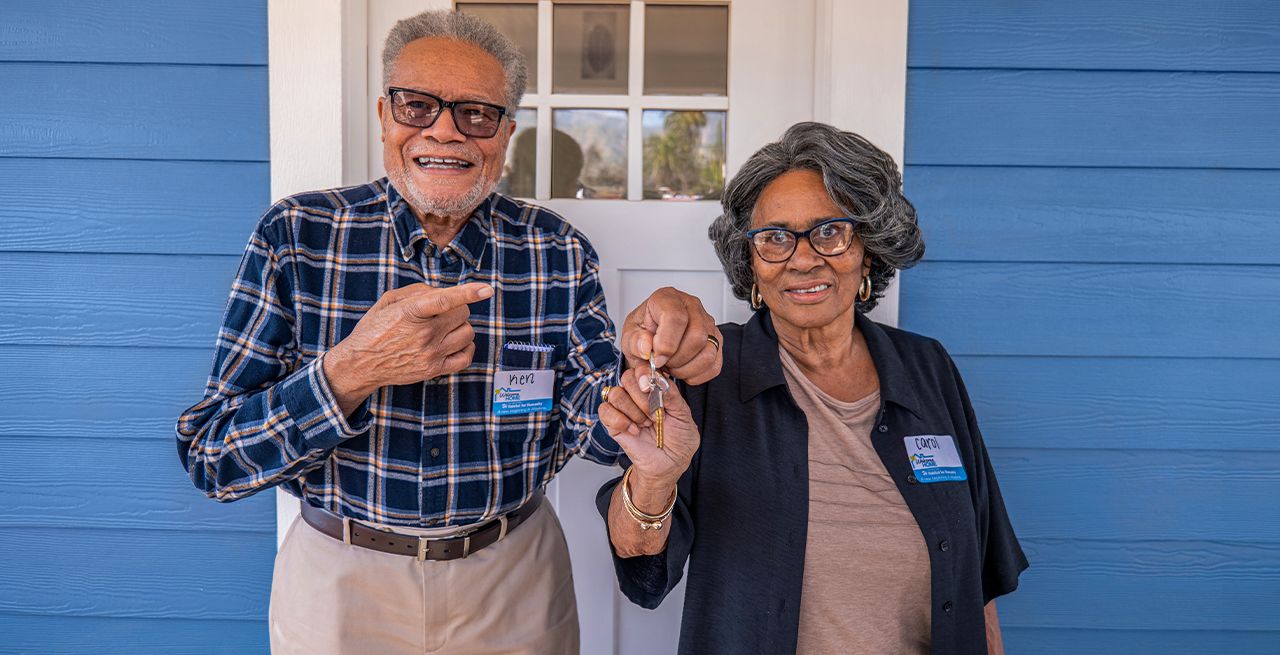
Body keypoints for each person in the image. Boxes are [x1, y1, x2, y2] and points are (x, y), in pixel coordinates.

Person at [176, 10, 717, 654]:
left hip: (514, 578)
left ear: (506, 133)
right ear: (384, 115)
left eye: (476, 113)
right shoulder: (297, 236)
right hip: (339, 585)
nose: (443, 131)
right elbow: (214, 458)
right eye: (417, 106)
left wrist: (649, 383)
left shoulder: (555, 250)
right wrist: (353, 370)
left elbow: (593, 427)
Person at [596, 122, 1028, 655]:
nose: (803, 258)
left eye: (830, 230)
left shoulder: (927, 366)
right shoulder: (708, 374)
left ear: (867, 249)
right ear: (750, 263)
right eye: (774, 238)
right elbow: (640, 562)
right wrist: (654, 477)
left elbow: (978, 573)